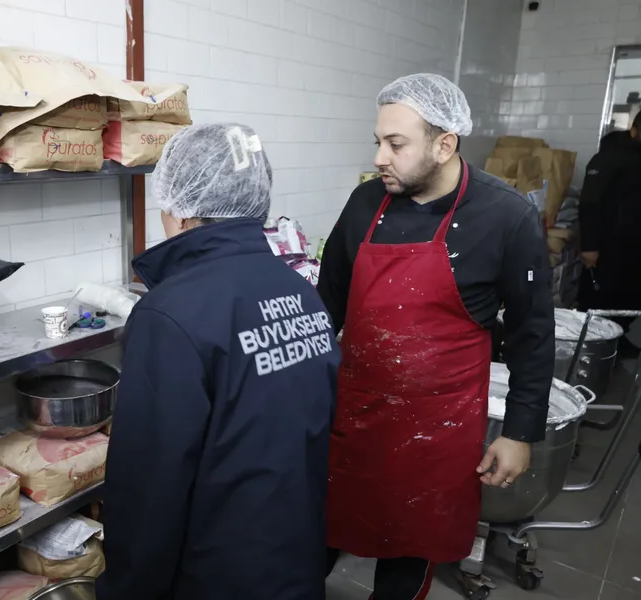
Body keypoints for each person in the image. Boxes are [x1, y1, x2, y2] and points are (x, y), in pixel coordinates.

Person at [318, 74, 555, 599]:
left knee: (406, 560)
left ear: (444, 144)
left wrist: (519, 432)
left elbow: (532, 334)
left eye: (395, 144)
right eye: (378, 141)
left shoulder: (506, 216)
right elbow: (326, 303)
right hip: (354, 415)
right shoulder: (365, 203)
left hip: (437, 433)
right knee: (314, 540)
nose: (380, 157)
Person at [96, 123, 341, 600]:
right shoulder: (301, 292)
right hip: (297, 554)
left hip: (215, 574)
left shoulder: (171, 313)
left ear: (179, 209)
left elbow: (149, 487)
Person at [578, 113, 641, 355]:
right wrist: (589, 245)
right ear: (634, 129)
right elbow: (589, 201)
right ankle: (593, 346)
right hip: (609, 242)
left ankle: (617, 339)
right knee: (602, 296)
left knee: (629, 295)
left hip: (633, 243)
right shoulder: (610, 156)